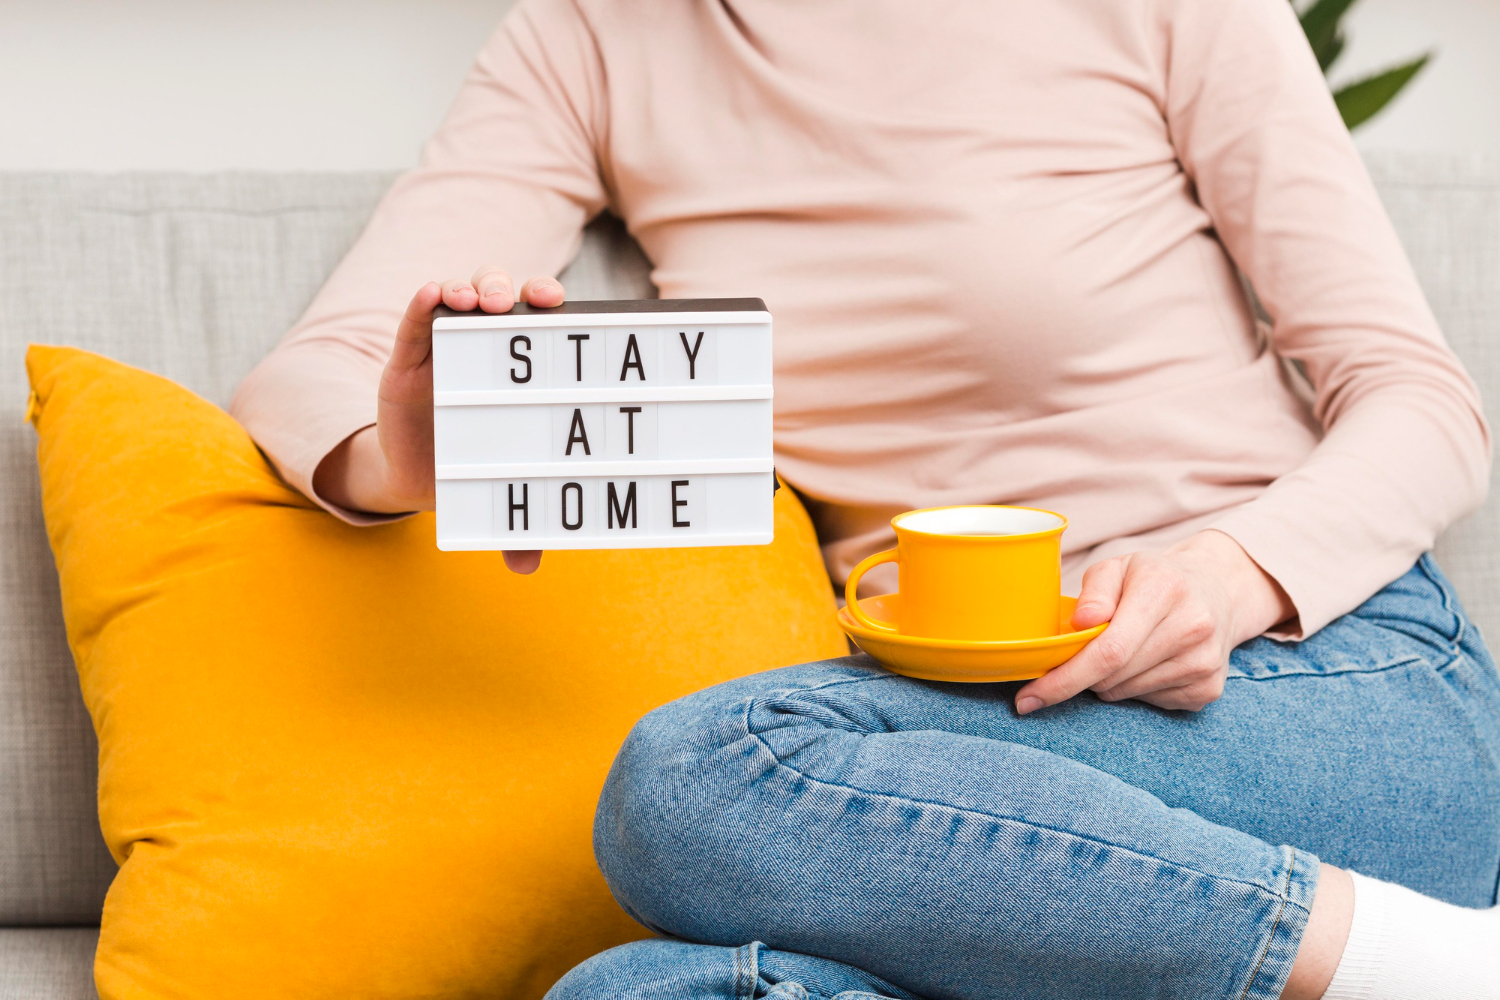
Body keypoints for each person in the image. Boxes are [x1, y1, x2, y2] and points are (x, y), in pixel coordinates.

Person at [230, 0, 1500, 996]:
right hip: (951, 757)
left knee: (695, 782)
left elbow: (1425, 401)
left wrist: (1222, 577)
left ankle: (1437, 969)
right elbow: (306, 375)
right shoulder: (592, 40)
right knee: (637, 989)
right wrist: (404, 458)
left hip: (1322, 679)